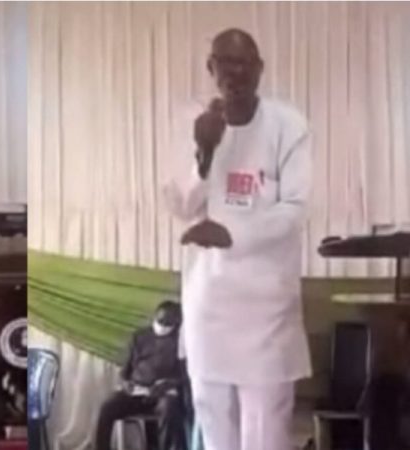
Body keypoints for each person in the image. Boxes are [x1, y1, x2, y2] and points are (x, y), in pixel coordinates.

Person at [163, 28, 312, 450]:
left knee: (265, 434)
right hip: (209, 307)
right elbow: (180, 205)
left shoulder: (289, 125)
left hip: (267, 313)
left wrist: (232, 233)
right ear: (210, 68)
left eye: (244, 63)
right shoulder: (190, 121)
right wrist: (204, 154)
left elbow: (294, 209)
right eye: (225, 63)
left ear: (260, 69)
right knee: (215, 433)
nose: (235, 72)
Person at [94, 301, 187, 450]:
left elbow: (185, 375)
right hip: (137, 392)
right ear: (154, 317)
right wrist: (126, 384)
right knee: (107, 406)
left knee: (169, 408)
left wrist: (167, 385)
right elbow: (124, 372)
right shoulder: (139, 337)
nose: (162, 326)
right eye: (160, 321)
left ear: (176, 324)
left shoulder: (181, 342)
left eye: (167, 323)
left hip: (163, 394)